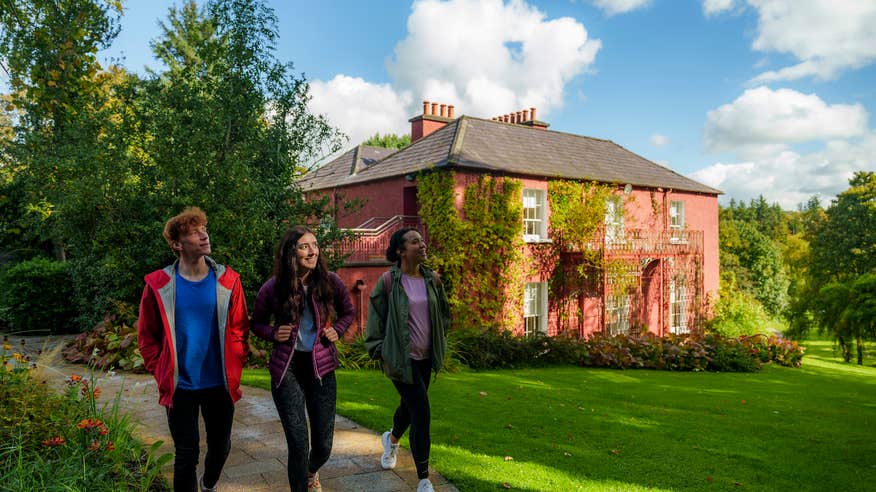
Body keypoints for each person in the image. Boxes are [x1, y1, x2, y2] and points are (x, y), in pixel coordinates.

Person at [137, 206, 249, 492]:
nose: (203, 235)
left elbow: (240, 327)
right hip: (181, 384)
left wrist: (237, 358)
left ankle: (208, 485)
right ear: (176, 244)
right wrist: (160, 370)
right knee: (186, 454)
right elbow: (147, 336)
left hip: (219, 383)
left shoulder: (228, 280)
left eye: (204, 229)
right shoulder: (159, 284)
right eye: (193, 232)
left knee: (221, 447)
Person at [250, 226, 355, 492]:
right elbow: (256, 323)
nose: (313, 251)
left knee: (323, 446)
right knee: (298, 442)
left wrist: (337, 330)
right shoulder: (273, 288)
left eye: (315, 245)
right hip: (288, 370)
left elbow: (348, 313)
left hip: (322, 368)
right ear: (290, 253)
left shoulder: (330, 281)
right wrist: (274, 332)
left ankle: (310, 471)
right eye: (304, 246)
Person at [365, 228, 451, 492]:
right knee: (422, 411)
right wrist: (379, 348)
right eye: (415, 242)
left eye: (422, 240)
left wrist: (439, 339)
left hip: (425, 358)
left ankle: (391, 440)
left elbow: (445, 314)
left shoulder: (432, 280)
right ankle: (423, 479)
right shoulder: (388, 282)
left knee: (410, 406)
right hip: (400, 358)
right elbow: (376, 316)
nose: (422, 245)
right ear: (401, 251)